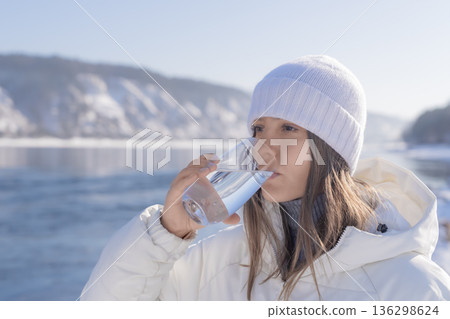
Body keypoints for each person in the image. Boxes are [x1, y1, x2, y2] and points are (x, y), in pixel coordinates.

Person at [80, 55, 450, 301]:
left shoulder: (411, 286)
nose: (264, 147)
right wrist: (166, 232)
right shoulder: (221, 261)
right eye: (258, 128)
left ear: (331, 150)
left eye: (288, 127)